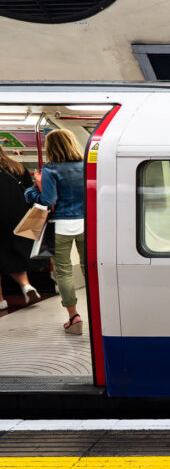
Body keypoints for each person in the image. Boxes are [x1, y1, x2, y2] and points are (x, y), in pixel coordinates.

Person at [24, 130, 85, 334]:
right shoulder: (86, 166)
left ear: (51, 147)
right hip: (86, 225)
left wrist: (31, 192)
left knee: (64, 272)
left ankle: (73, 317)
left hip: (61, 226)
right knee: (90, 269)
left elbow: (49, 200)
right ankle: (99, 313)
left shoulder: (50, 169)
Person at [0, 147, 40, 310]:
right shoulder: (17, 166)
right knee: (13, 253)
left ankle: (1, 299)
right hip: (18, 217)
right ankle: (25, 285)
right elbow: (29, 191)